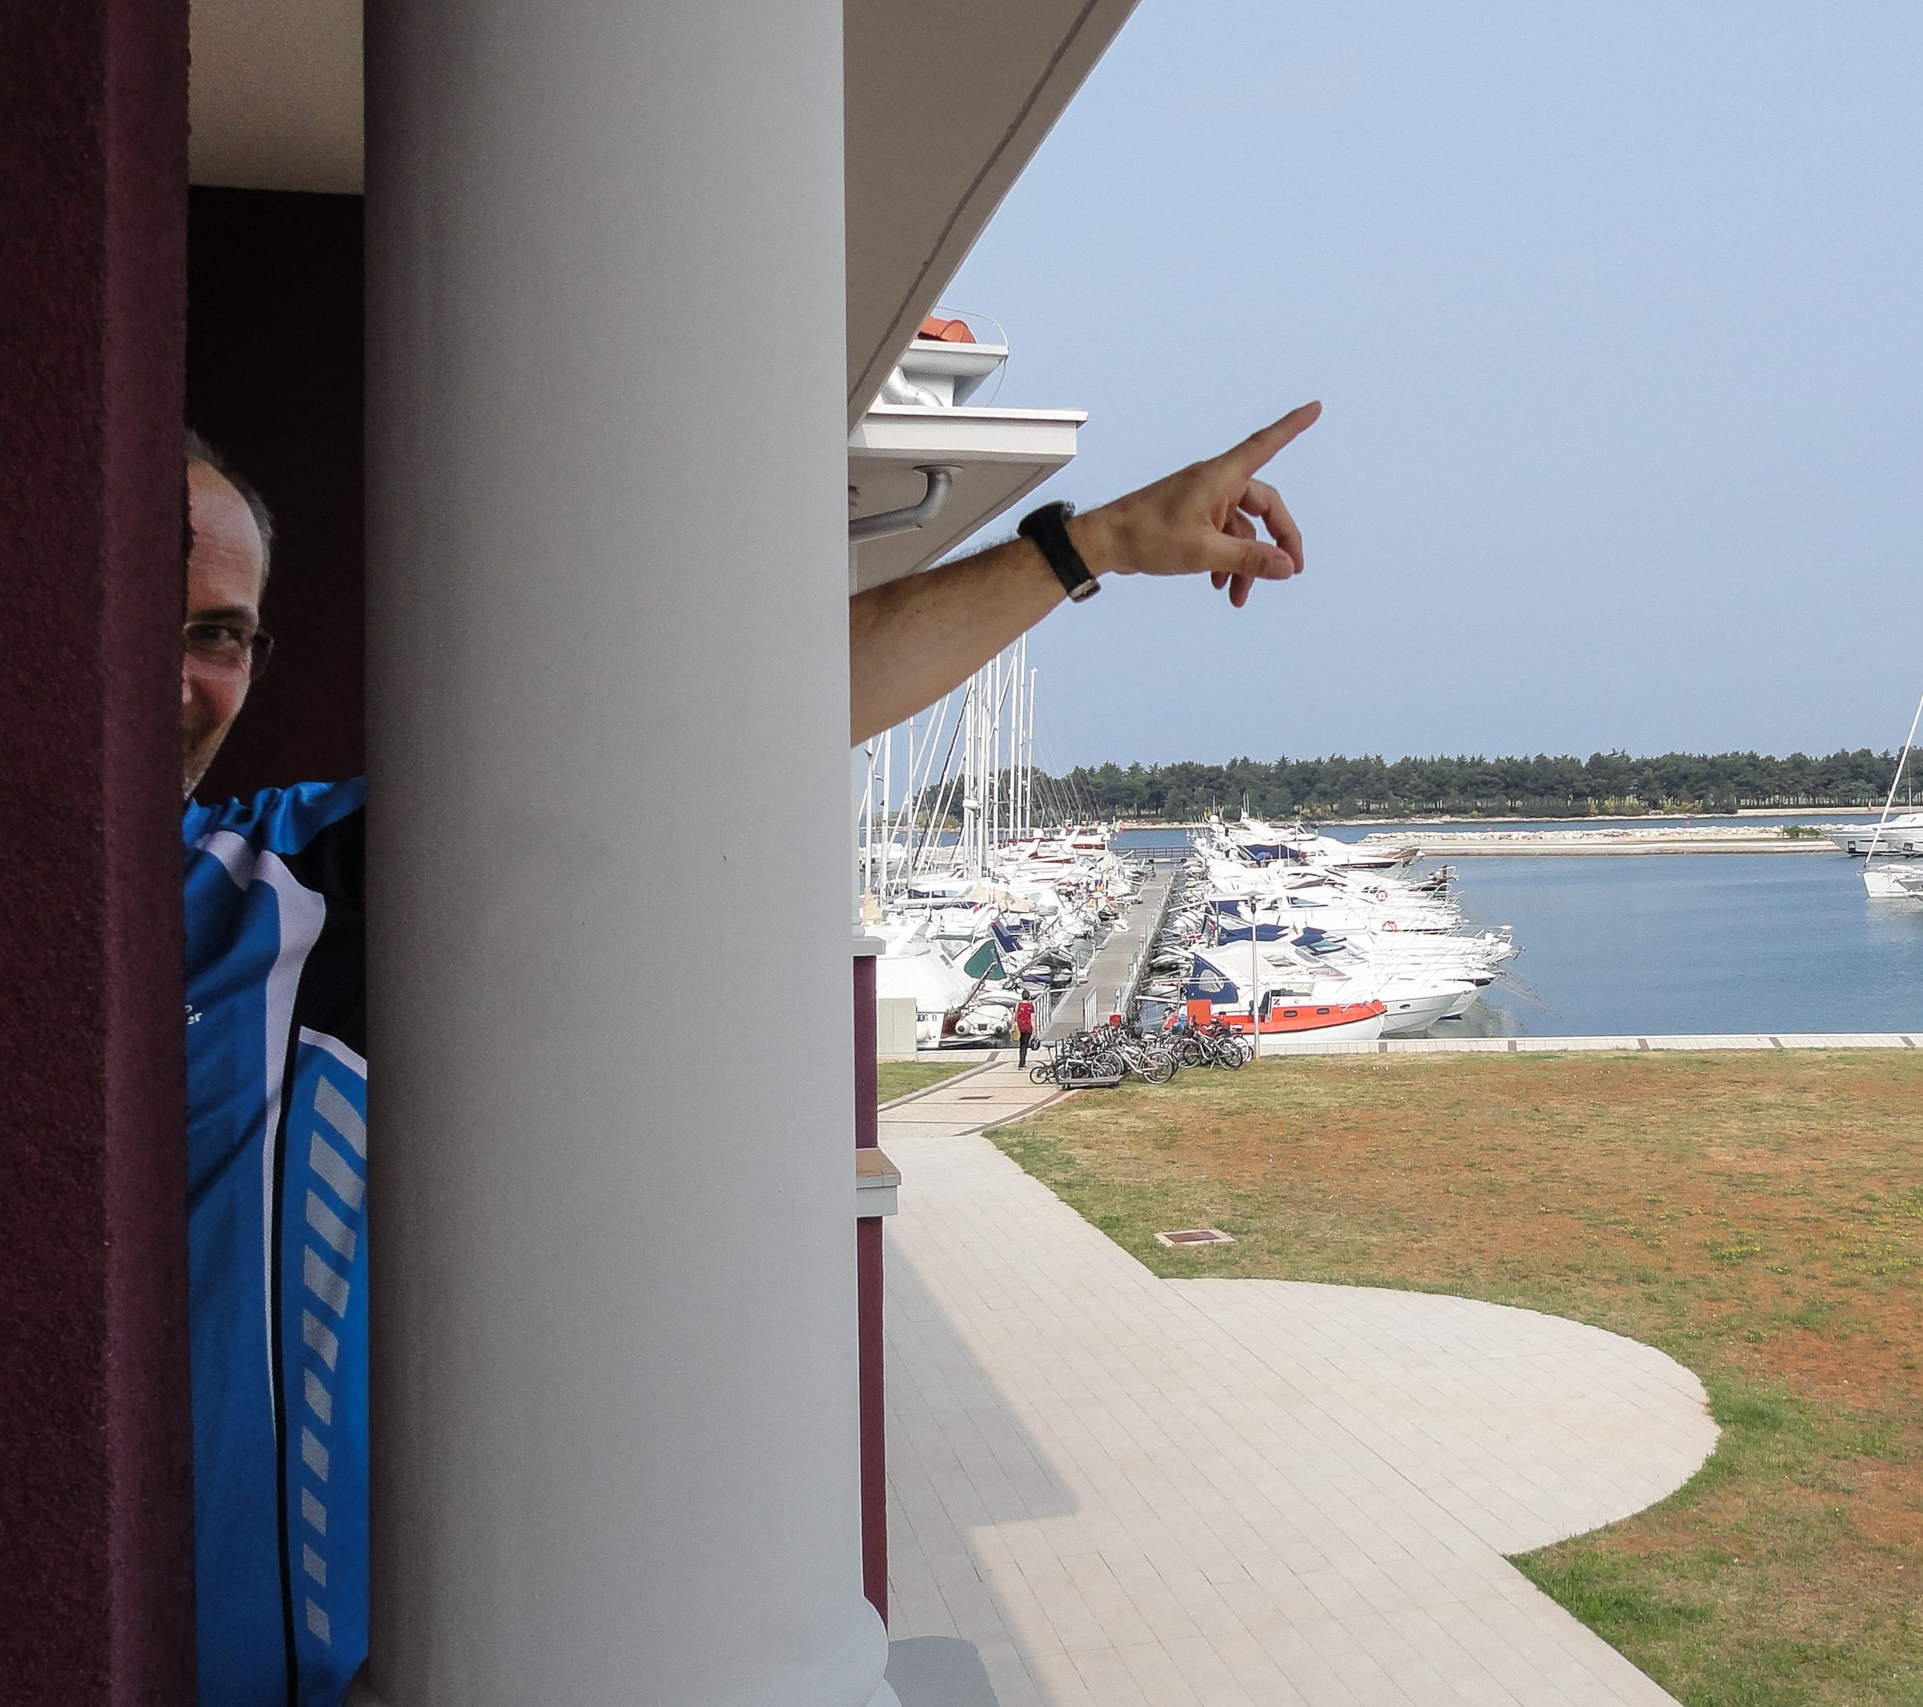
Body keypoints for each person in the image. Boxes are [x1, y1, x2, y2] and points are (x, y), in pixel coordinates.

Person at [179, 401, 1320, 1707]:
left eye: (217, 631)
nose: (178, 675)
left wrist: (1090, 544)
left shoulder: (287, 899)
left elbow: (717, 723)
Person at [1014, 995, 1038, 1067]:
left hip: (1019, 1027)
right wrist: (1034, 1031)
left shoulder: (1018, 1005)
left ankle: (1021, 1061)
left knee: (1021, 1045)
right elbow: (1032, 1019)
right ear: (1029, 997)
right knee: (1025, 1045)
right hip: (1028, 1028)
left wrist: (1014, 1026)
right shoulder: (1030, 1006)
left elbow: (1015, 1016)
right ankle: (1022, 1062)